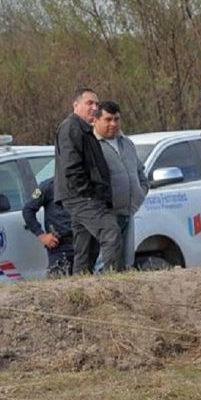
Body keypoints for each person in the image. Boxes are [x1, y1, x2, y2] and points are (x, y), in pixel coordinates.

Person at [54, 87, 119, 274]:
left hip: (83, 196)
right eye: (89, 103)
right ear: (76, 105)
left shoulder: (84, 129)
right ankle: (113, 281)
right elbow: (71, 166)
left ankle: (82, 287)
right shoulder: (71, 127)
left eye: (96, 104)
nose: (94, 107)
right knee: (110, 232)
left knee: (86, 248)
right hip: (80, 197)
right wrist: (88, 193)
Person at [93, 101, 149, 270]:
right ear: (96, 120)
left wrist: (140, 193)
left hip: (128, 211)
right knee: (105, 262)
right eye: (108, 119)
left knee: (125, 262)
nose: (113, 124)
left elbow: (140, 174)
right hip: (106, 214)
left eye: (116, 119)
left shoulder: (127, 143)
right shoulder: (92, 145)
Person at [22, 178, 73, 277]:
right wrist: (41, 235)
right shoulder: (47, 186)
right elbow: (28, 210)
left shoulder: (83, 184)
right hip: (59, 245)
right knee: (58, 283)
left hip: (83, 243)